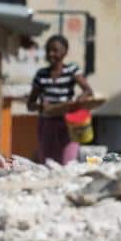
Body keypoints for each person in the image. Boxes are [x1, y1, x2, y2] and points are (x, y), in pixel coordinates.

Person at [29, 34, 93, 165]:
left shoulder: (72, 70)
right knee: (47, 164)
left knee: (68, 163)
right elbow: (30, 104)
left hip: (68, 124)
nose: (51, 54)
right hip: (47, 124)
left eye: (55, 50)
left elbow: (88, 90)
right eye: (48, 51)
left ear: (65, 52)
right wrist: (40, 107)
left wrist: (81, 98)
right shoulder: (41, 74)